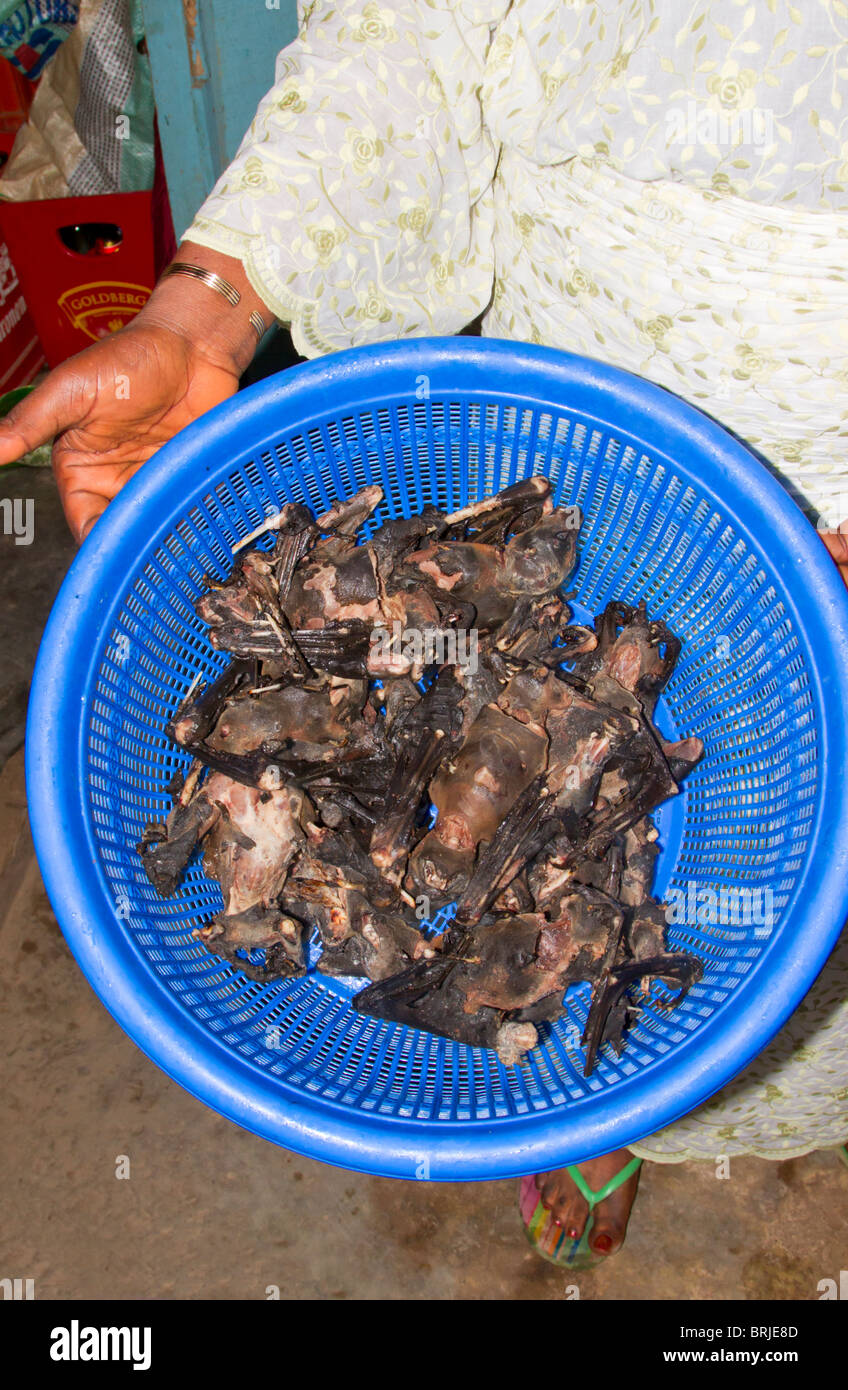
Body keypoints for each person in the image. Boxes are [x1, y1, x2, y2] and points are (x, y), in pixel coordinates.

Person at [2, 0, 846, 1266]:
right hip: (568, 382)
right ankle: (589, 1085)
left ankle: (639, 1098)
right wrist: (206, 304)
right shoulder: (480, 669)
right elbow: (409, 24)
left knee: (779, 963)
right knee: (601, 899)